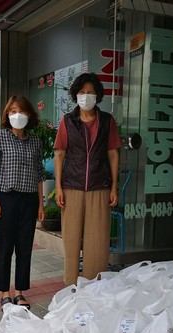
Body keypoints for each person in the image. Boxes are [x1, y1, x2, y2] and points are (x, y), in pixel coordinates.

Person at [53, 72, 120, 286]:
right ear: (75, 95)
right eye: (82, 92)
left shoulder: (107, 121)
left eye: (90, 92)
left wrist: (114, 187)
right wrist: (59, 187)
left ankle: (94, 284)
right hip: (72, 185)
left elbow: (112, 154)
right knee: (71, 238)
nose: (86, 96)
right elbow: (60, 154)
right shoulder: (67, 121)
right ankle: (71, 284)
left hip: (100, 185)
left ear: (97, 95)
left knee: (98, 240)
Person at [0, 96, 45, 309]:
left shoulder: (36, 142)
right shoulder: (0, 138)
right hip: (6, 198)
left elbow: (39, 175)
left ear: (29, 114)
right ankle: (4, 292)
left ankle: (19, 291)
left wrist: (40, 204)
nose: (16, 115)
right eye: (12, 111)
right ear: (6, 115)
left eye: (21, 111)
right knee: (4, 247)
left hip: (29, 200)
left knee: (24, 247)